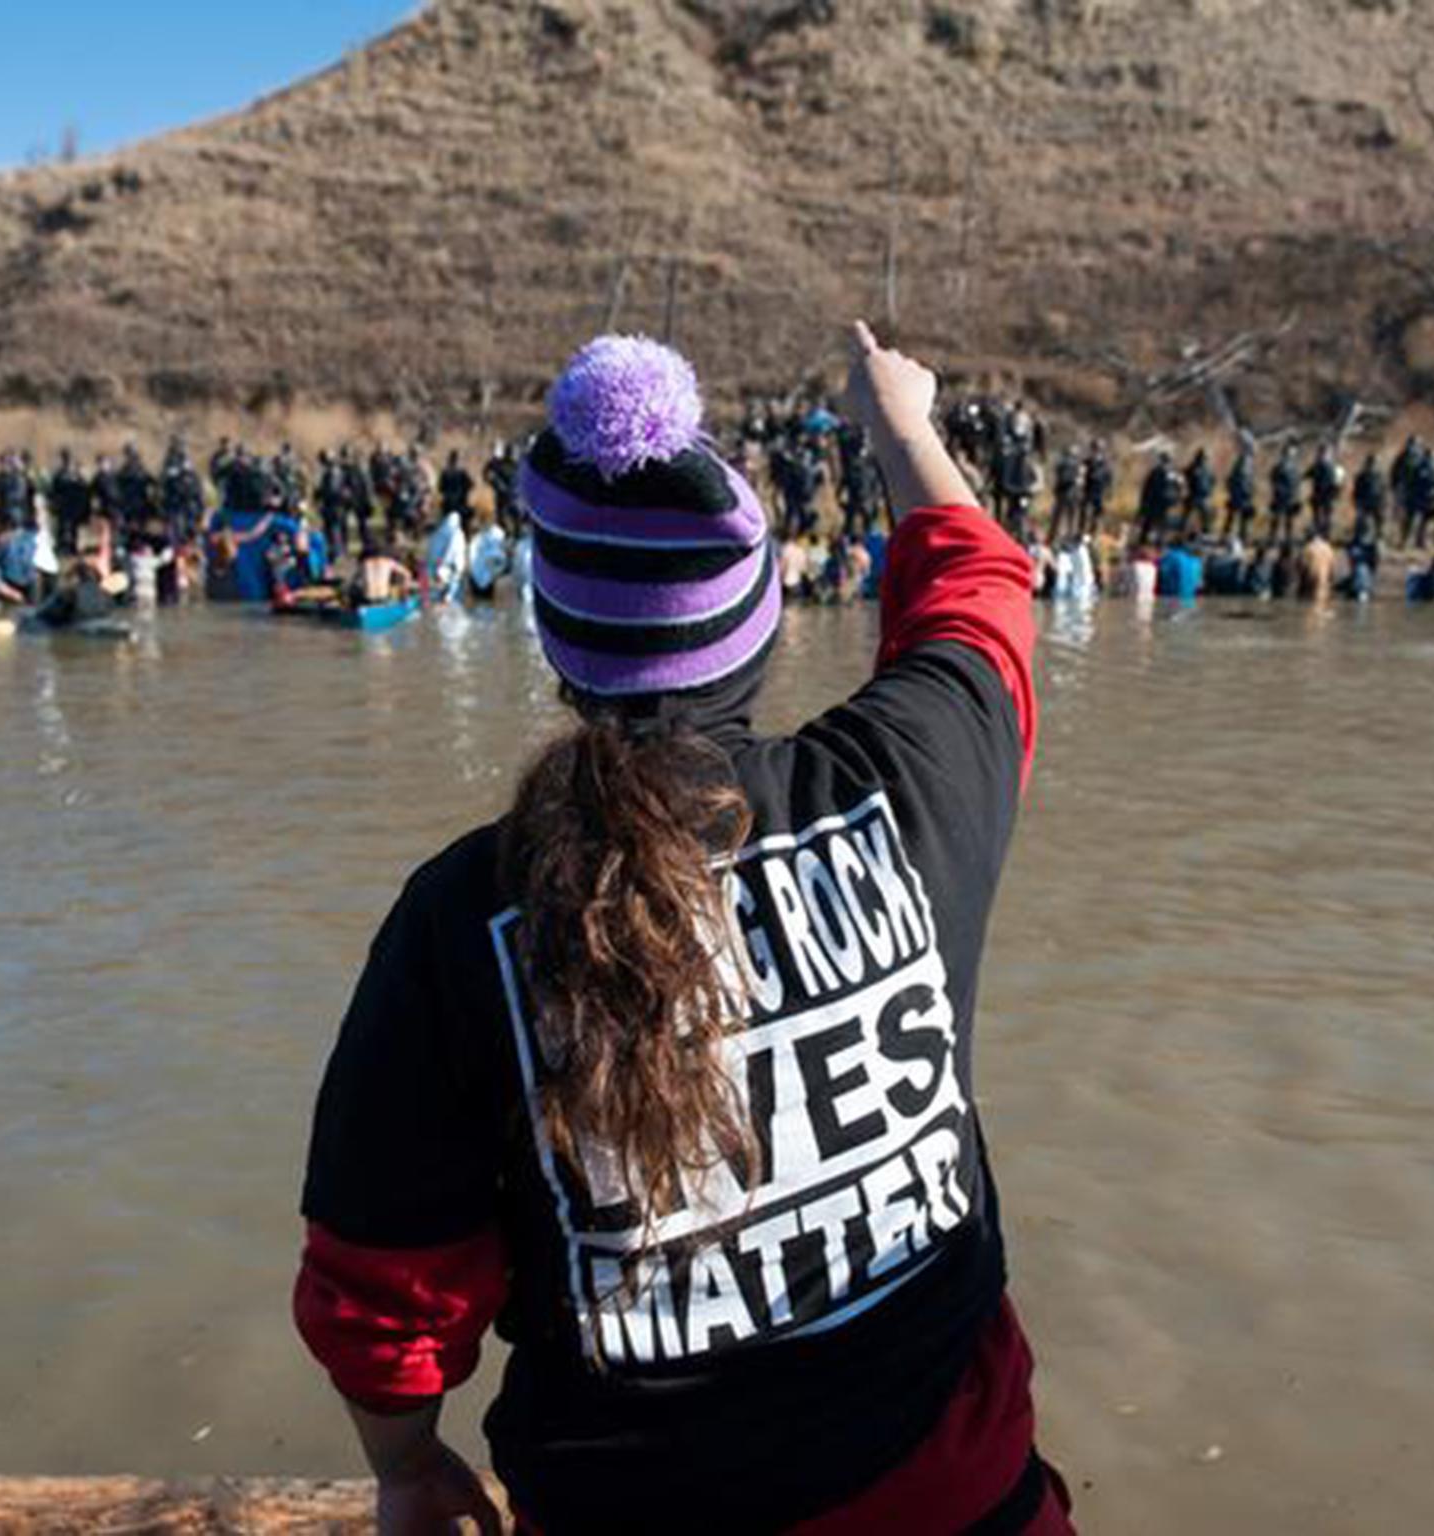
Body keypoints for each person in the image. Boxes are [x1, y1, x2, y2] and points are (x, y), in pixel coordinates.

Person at [295, 328, 1066, 1536]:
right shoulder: (912, 776)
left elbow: (383, 1284)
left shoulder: (461, 920)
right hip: (963, 1502)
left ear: (558, 654)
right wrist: (896, 425)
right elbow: (976, 580)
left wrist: (406, 1465)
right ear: (759, 627)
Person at [1223, 439, 1256, 543]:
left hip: (1236, 493)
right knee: (1241, 517)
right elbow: (1244, 478)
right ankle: (1241, 537)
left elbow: (1232, 477)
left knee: (1232, 516)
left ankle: (1226, 534)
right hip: (1241, 494)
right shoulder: (1247, 461)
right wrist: (1248, 492)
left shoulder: (1241, 460)